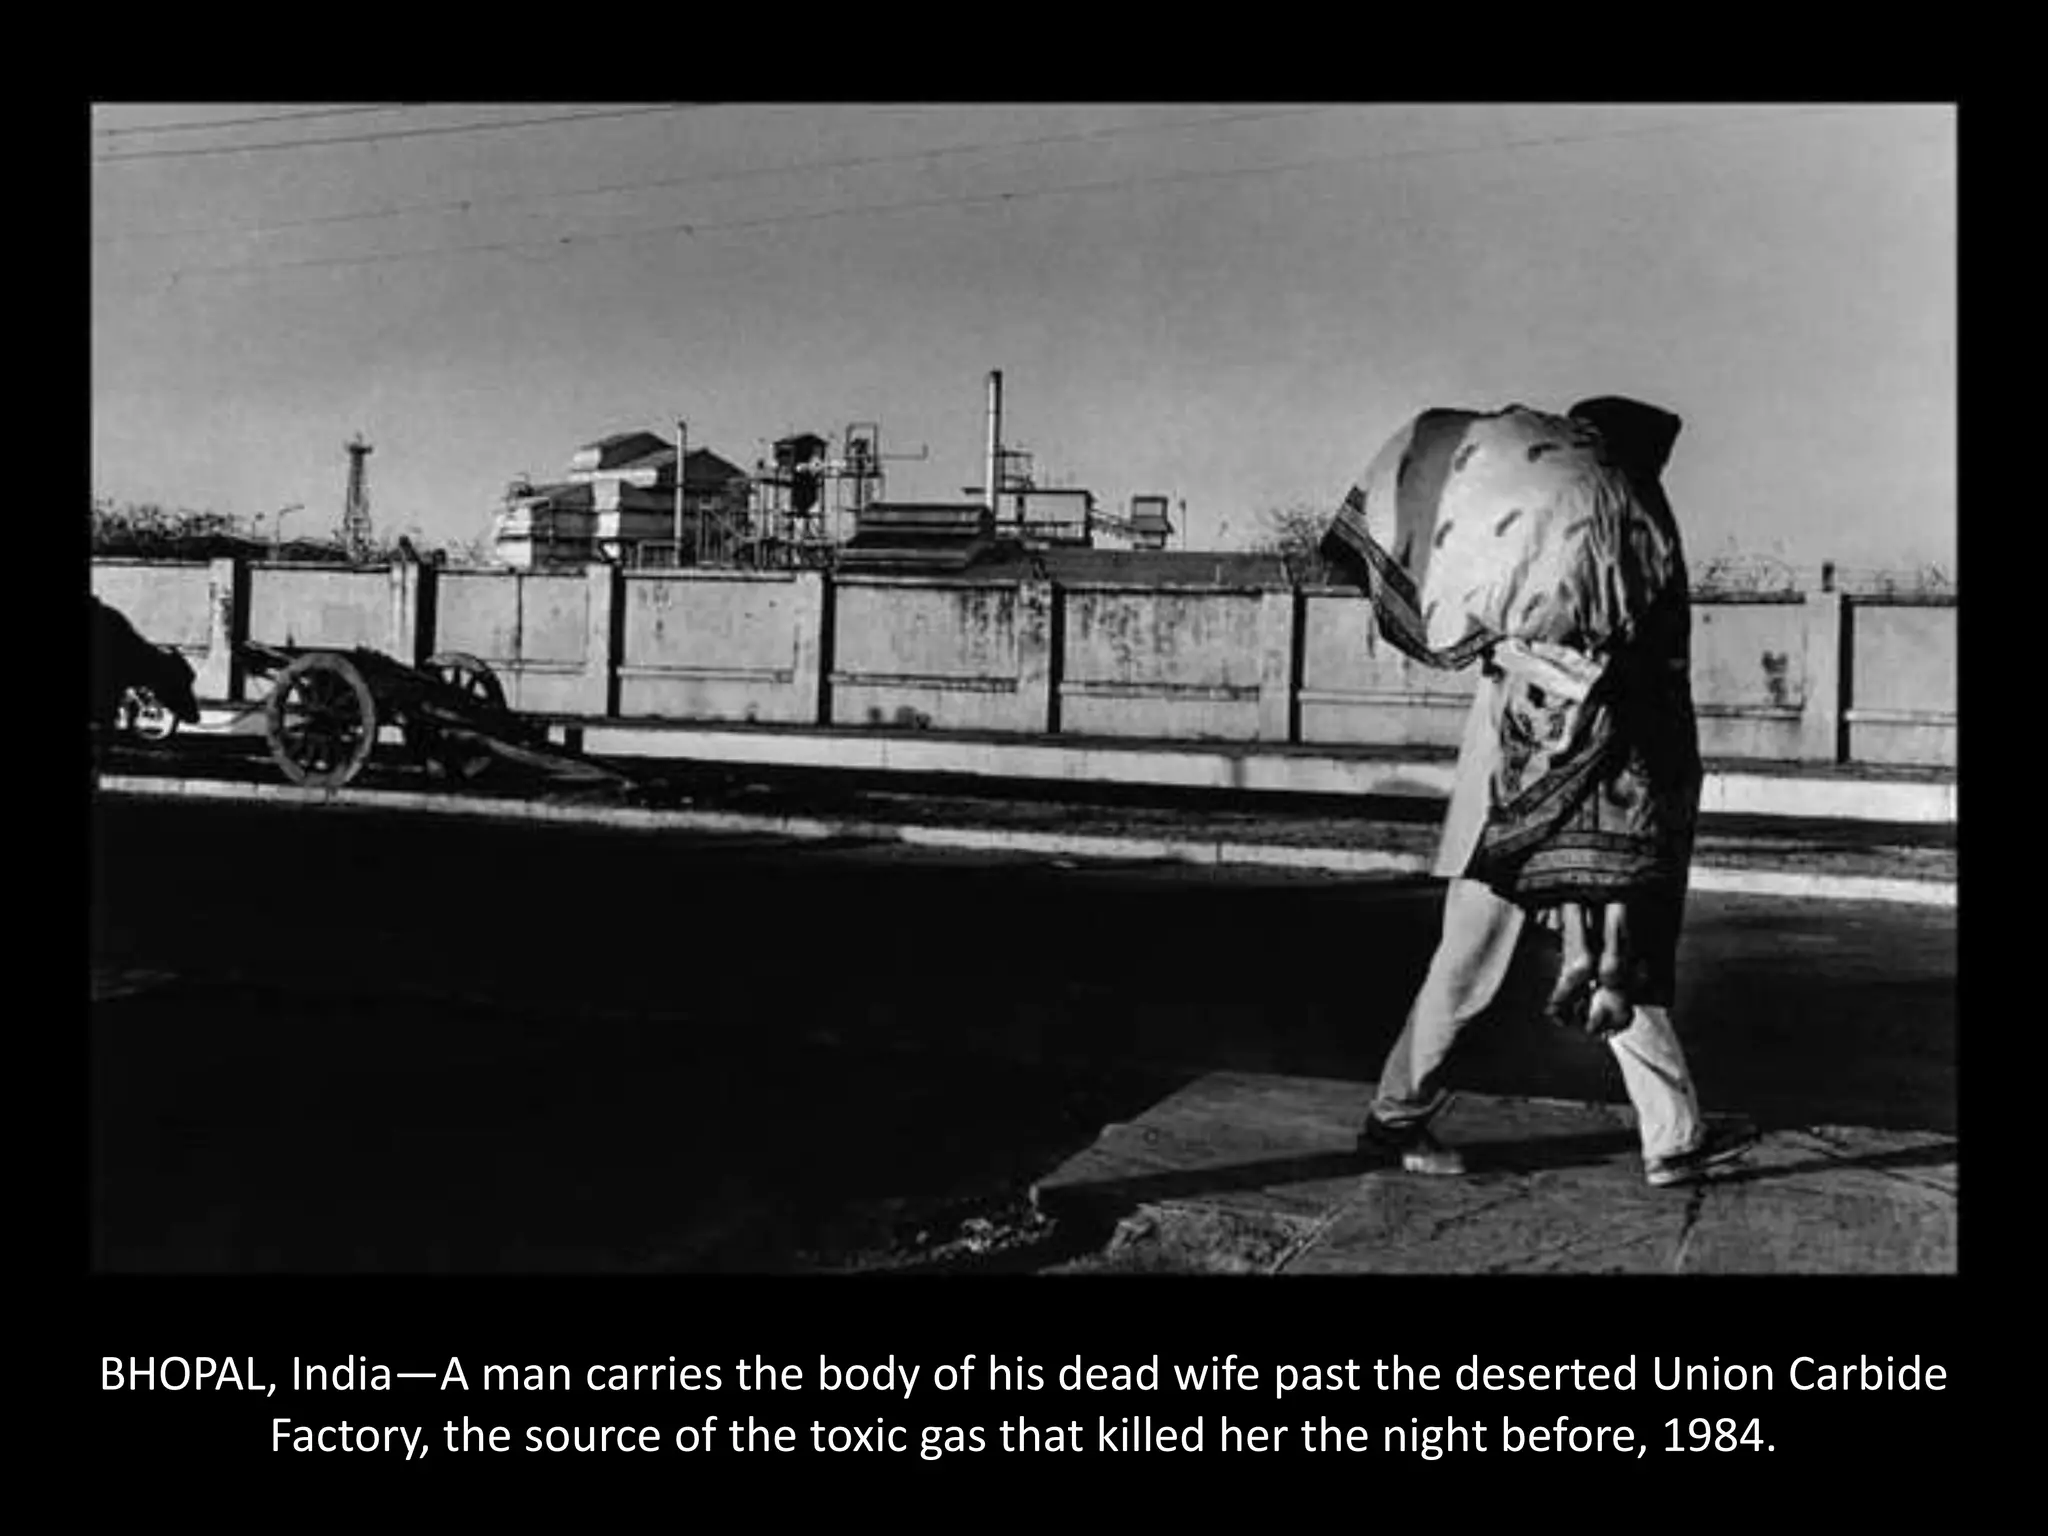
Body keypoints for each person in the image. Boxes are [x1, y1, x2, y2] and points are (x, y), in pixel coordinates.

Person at [1328, 397, 1755, 1189]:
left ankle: (1674, 1136)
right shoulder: (1610, 536)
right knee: (1527, 963)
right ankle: (1397, 1119)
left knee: (1594, 965)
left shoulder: (1566, 538)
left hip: (1545, 791)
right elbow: (1583, 665)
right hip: (1541, 794)